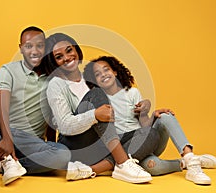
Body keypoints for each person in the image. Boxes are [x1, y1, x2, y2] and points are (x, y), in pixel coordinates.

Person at [44, 33, 163, 184]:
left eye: (69, 50)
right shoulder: (56, 84)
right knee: (97, 93)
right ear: (53, 62)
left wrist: (143, 105)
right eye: (59, 56)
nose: (67, 57)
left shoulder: (90, 77)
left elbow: (115, 105)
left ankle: (90, 170)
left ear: (76, 50)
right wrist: (94, 115)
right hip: (75, 145)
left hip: (100, 145)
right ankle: (123, 162)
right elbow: (65, 125)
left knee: (150, 134)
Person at [82, 55, 216, 185]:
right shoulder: (98, 100)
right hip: (125, 150)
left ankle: (190, 160)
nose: (104, 74)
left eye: (106, 70)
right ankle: (184, 163)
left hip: (146, 140)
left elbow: (144, 125)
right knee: (153, 167)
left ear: (115, 72)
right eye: (98, 74)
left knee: (165, 116)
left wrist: (149, 115)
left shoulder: (132, 93)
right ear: (94, 81)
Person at [0, 26, 71, 185]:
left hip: (30, 142)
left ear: (46, 47)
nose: (34, 51)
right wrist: (6, 139)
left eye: (39, 46)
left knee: (63, 154)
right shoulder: (9, 70)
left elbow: (50, 115)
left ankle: (0, 164)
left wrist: (50, 145)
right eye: (28, 46)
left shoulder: (53, 79)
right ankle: (4, 156)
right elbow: (2, 107)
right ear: (20, 48)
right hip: (0, 137)